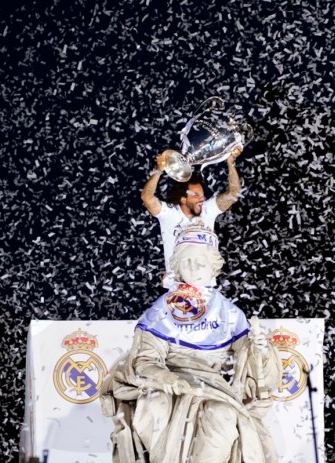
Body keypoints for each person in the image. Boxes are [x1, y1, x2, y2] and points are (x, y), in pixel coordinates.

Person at [100, 224, 281, 463]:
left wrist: (260, 349)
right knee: (154, 407)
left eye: (201, 262)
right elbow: (144, 360)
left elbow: (250, 367)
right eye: (186, 262)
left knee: (222, 414)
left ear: (213, 266)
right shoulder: (162, 309)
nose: (194, 268)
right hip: (170, 385)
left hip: (214, 387)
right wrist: (167, 379)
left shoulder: (230, 314)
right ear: (177, 267)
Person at [141, 147, 243, 288]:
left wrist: (230, 163)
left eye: (201, 195)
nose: (201, 199)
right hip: (178, 288)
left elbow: (234, 193)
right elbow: (147, 197)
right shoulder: (169, 214)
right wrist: (159, 170)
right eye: (195, 195)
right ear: (183, 199)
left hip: (206, 288)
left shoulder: (208, 210)